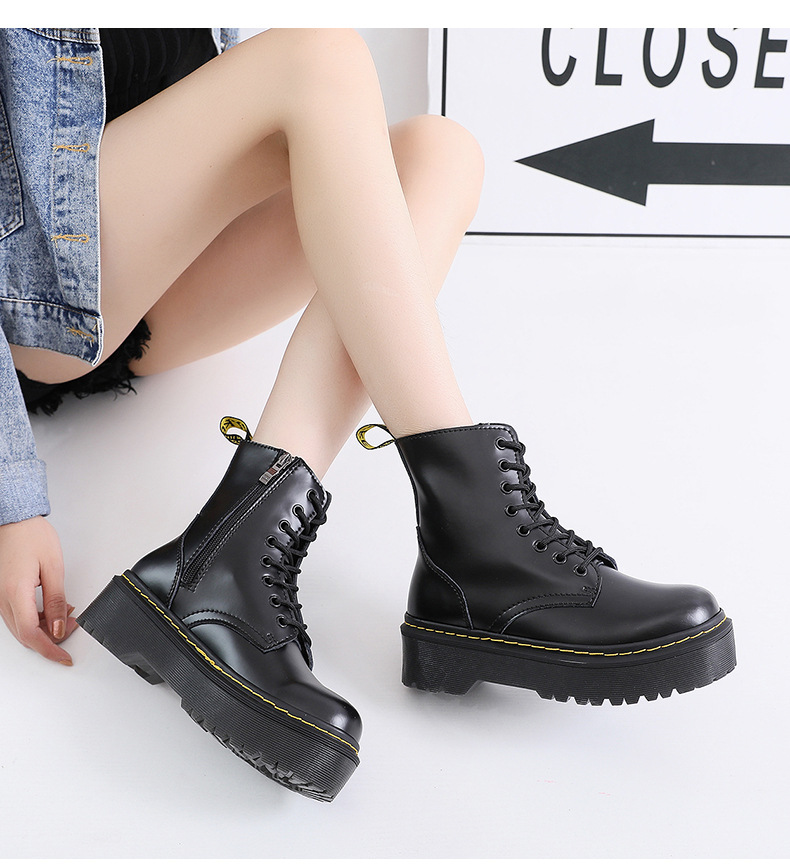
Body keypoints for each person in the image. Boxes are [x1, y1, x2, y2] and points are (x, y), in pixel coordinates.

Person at [0, 27, 736, 802]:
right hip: (35, 285)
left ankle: (232, 551)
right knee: (317, 57)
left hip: (145, 286)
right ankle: (478, 535)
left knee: (439, 153)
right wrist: (13, 500)